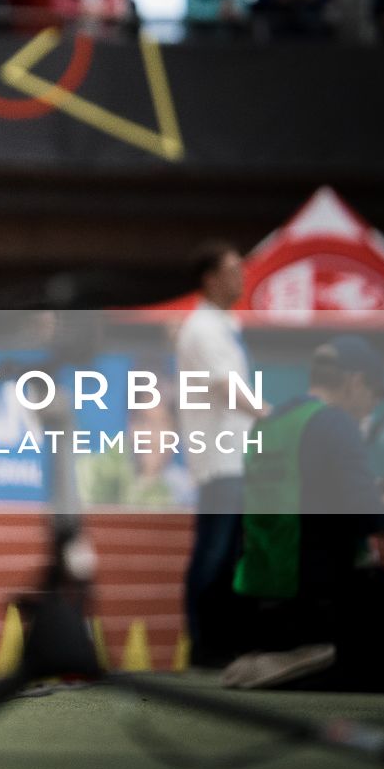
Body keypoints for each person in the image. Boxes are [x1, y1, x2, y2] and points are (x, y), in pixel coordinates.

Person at [223, 336, 384, 691]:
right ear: (356, 382)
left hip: (261, 600)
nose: (371, 408)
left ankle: (275, 654)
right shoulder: (337, 424)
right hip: (323, 601)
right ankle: (312, 659)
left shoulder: (269, 424)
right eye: (374, 396)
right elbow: (367, 517)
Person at [174, 240, 254, 666]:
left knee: (227, 550)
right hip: (221, 457)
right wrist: (269, 414)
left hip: (232, 455)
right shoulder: (203, 328)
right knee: (215, 550)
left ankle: (216, 641)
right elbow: (227, 386)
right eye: (233, 269)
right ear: (210, 278)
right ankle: (205, 643)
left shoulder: (222, 325)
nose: (241, 277)